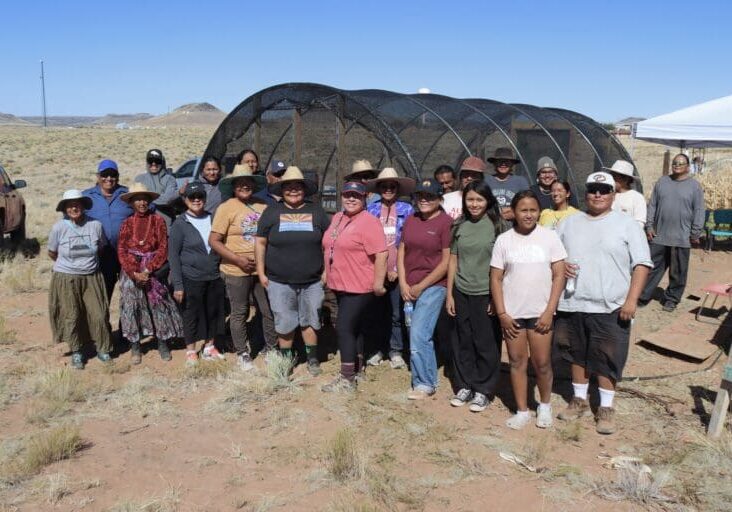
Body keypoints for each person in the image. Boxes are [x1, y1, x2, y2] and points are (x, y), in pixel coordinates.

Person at [555, 172, 651, 435]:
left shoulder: (627, 225)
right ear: (585, 192)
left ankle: (606, 407)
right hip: (573, 303)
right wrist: (562, 265)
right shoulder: (568, 223)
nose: (598, 194)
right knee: (576, 353)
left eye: (604, 190)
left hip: (611, 305)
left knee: (608, 356)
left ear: (613, 194)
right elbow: (552, 256)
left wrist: (631, 300)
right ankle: (579, 400)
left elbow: (642, 264)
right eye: (593, 189)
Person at [490, 190, 567, 429]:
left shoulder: (549, 238)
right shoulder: (504, 240)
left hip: (540, 312)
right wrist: (502, 313)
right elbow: (496, 278)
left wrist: (549, 311)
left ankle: (544, 405)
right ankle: (522, 410)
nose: (528, 215)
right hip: (513, 314)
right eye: (523, 210)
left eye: (533, 210)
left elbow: (559, 275)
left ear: (539, 212)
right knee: (516, 361)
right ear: (513, 212)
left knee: (542, 363)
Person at [255, 166, 329, 376]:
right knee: (285, 322)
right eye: (289, 187)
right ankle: (286, 360)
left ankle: (312, 358)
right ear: (282, 189)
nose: (293, 191)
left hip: (312, 281)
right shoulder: (272, 212)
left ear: (304, 189)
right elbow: (260, 243)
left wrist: (326, 272)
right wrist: (261, 272)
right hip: (279, 281)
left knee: (311, 319)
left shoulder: (316, 211)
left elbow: (328, 244)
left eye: (298, 187)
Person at [322, 182, 387, 392]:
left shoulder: (369, 222)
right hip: (340, 283)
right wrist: (326, 272)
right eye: (347, 195)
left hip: (359, 285)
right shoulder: (338, 218)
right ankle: (357, 368)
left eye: (356, 196)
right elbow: (330, 246)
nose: (351, 199)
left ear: (365, 198)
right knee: (355, 328)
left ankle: (346, 379)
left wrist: (378, 282)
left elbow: (381, 254)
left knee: (344, 328)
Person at [210, 165, 276, 370]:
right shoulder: (226, 207)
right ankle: (242, 352)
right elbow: (214, 240)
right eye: (240, 183)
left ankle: (271, 348)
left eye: (248, 182)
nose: (245, 186)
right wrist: (237, 259)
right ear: (233, 186)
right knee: (240, 311)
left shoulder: (263, 206)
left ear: (254, 185)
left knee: (268, 310)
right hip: (236, 270)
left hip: (261, 269)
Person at [445, 181, 502, 412]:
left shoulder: (498, 226)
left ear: (487, 201)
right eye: (470, 200)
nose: (475, 204)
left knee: (486, 342)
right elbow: (453, 260)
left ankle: (483, 389)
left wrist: (496, 297)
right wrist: (449, 293)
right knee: (463, 340)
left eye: (479, 199)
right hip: (461, 291)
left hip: (485, 293)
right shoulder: (459, 226)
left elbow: (503, 265)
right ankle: (465, 384)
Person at [398, 178, 453, 399]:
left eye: (430, 196)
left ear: (439, 199)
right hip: (409, 286)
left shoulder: (445, 223)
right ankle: (423, 374)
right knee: (415, 331)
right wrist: (403, 283)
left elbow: (446, 262)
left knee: (420, 332)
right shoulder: (411, 219)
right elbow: (402, 251)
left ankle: (425, 383)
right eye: (420, 196)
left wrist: (421, 285)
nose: (424, 200)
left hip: (433, 285)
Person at [117, 183, 184, 364]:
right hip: (132, 271)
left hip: (153, 270)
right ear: (131, 202)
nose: (141, 202)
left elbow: (163, 248)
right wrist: (135, 273)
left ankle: (162, 342)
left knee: (158, 304)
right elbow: (122, 250)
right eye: (137, 199)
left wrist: (148, 269)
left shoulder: (158, 221)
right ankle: (135, 346)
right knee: (132, 306)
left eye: (144, 199)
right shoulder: (126, 223)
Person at [48, 189, 113, 369]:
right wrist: (70, 266)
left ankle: (103, 348)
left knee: (98, 314)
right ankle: (77, 351)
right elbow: (52, 252)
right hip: (66, 278)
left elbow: (101, 247)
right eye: (70, 205)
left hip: (91, 276)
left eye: (77, 204)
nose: (74, 207)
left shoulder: (95, 226)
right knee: (72, 315)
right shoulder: (58, 228)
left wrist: (85, 263)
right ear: (65, 208)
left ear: (84, 206)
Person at [169, 182, 226, 367]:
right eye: (192, 197)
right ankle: (191, 350)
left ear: (205, 199)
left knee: (213, 313)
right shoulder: (180, 223)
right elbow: (173, 256)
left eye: (200, 197)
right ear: (185, 200)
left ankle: (209, 346)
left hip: (213, 275)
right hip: (191, 277)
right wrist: (178, 285)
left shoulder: (213, 219)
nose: (196, 200)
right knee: (191, 314)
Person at [640, 153, 705, 312]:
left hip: (681, 238)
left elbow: (699, 210)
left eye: (681, 163)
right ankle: (642, 296)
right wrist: (649, 226)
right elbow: (652, 205)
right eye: (675, 163)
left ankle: (671, 299)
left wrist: (695, 232)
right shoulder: (662, 182)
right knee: (651, 268)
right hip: (659, 236)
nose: (677, 165)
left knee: (678, 272)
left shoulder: (694, 186)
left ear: (688, 167)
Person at [365, 167, 415, 369]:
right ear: (378, 188)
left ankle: (395, 350)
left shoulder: (407, 210)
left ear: (398, 188)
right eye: (384, 186)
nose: (388, 189)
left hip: (398, 270)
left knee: (397, 313)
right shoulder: (370, 210)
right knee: (376, 312)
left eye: (392, 186)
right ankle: (377, 349)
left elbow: (409, 241)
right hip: (374, 270)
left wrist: (396, 268)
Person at [83, 159, 133, 301]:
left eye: (112, 175)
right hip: (102, 255)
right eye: (105, 175)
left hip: (127, 254)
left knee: (131, 295)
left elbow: (149, 206)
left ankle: (128, 323)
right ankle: (102, 322)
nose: (109, 179)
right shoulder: (87, 196)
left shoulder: (127, 195)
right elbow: (71, 214)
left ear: (117, 176)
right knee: (102, 294)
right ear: (98, 177)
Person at [485, 147, 530, 222]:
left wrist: (515, 212)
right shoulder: (486, 181)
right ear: (495, 163)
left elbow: (528, 204)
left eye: (506, 161)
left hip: (515, 226)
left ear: (512, 164)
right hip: (491, 224)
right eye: (500, 161)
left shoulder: (521, 181)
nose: (503, 164)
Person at [135, 149, 178, 227]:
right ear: (147, 162)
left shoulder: (170, 179)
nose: (154, 164)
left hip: (166, 224)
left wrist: (147, 199)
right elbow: (136, 202)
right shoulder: (139, 179)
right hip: (145, 225)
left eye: (157, 161)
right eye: (150, 160)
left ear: (162, 162)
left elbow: (168, 199)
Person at [441, 156, 487, 220]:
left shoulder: (488, 200)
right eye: (466, 174)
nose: (469, 178)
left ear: (481, 179)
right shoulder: (446, 199)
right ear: (460, 177)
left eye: (474, 175)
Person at [606, 160, 646, 231]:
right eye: (611, 176)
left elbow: (639, 224)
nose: (611, 179)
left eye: (615, 177)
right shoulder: (606, 194)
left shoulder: (637, 197)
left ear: (625, 179)